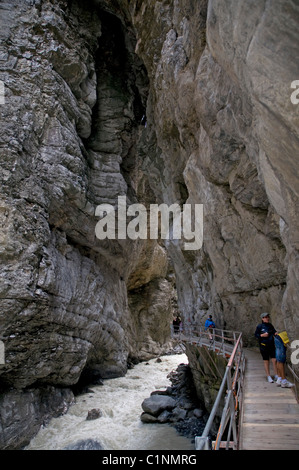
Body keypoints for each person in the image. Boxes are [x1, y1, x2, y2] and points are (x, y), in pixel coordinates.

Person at [255, 313, 278, 383]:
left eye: (268, 317)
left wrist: (276, 333)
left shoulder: (270, 325)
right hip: (263, 345)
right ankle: (268, 376)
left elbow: (274, 332)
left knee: (274, 360)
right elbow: (256, 335)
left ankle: (276, 375)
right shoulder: (259, 326)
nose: (267, 318)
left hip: (271, 345)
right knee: (266, 361)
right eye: (265, 317)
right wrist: (262, 335)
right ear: (262, 318)